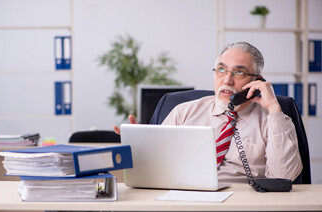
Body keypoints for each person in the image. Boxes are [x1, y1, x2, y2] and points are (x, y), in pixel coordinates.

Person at [114, 42, 302, 184]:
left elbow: (283, 179)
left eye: (239, 73)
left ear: (258, 81)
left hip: (241, 206)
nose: (227, 80)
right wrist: (139, 146)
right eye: (221, 70)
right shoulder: (184, 112)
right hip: (183, 197)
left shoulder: (275, 121)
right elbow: (155, 167)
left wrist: (274, 109)